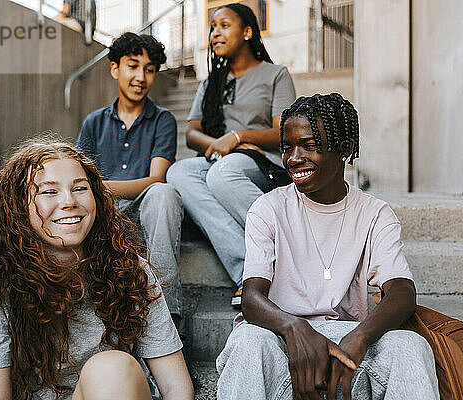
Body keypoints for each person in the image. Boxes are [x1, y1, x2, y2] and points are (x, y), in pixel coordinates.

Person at [0, 138, 193, 400]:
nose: (69, 201)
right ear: (18, 207)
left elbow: (175, 387)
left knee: (111, 369)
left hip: (114, 388)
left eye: (80, 188)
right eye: (49, 191)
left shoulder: (129, 269)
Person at [216, 94, 439, 400]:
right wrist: (294, 328)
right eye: (287, 147)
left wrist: (360, 336)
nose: (294, 158)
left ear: (345, 148)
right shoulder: (267, 209)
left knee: (410, 346)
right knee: (248, 342)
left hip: (347, 344)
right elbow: (251, 298)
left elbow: (402, 292)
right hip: (280, 340)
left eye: (309, 146)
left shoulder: (375, 213)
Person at [166, 3, 296, 307]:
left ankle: (288, 244)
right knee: (179, 173)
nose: (215, 33)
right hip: (224, 159)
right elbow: (192, 133)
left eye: (224, 25)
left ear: (248, 32)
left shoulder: (275, 74)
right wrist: (223, 144)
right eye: (212, 27)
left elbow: (285, 133)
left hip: (263, 161)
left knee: (224, 172)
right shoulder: (212, 82)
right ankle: (247, 272)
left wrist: (239, 137)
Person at [76, 32, 185, 327]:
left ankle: (169, 314)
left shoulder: (163, 121)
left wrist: (102, 187)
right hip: (105, 216)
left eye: (149, 70)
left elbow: (156, 178)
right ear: (115, 69)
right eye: (132, 66)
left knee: (164, 192)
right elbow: (77, 178)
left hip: (146, 215)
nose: (141, 77)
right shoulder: (94, 123)